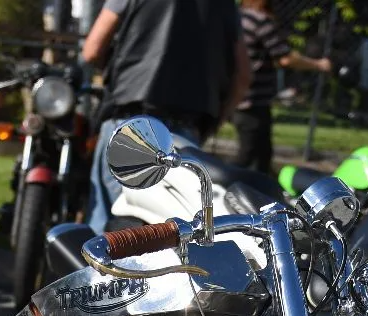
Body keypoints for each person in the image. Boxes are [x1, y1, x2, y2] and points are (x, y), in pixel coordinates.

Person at [81, 0, 250, 231]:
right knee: (174, 234)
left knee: (103, 233)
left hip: (129, 121)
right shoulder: (226, 5)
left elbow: (92, 50)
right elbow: (243, 76)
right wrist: (217, 119)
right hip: (186, 132)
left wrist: (115, 71)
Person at [234, 0, 330, 176]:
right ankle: (222, 184)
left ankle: (261, 185)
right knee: (249, 153)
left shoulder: (239, 16)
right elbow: (285, 58)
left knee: (262, 153)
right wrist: (318, 64)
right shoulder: (260, 21)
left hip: (238, 95)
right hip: (252, 99)